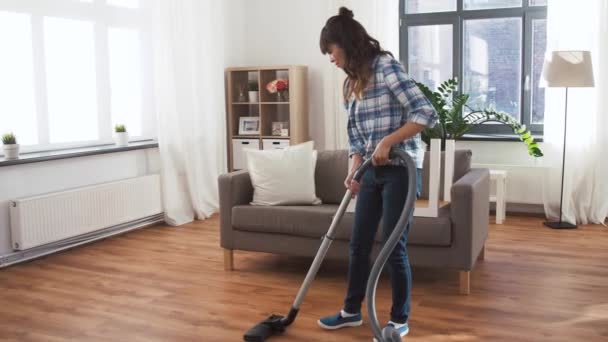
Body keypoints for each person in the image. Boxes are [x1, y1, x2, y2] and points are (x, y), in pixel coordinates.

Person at [317, 6, 438, 339]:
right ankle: (351, 311)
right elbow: (355, 136)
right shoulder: (349, 86)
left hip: (401, 170)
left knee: (392, 245)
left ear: (346, 43)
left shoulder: (386, 68)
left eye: (332, 50)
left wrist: (389, 141)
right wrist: (353, 168)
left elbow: (426, 112)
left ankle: (399, 319)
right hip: (371, 172)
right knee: (357, 245)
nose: (330, 58)